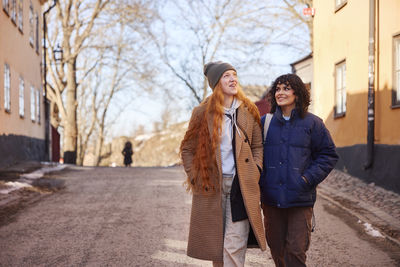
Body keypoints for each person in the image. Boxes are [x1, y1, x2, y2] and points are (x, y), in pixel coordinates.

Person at [180, 61, 266, 266]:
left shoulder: (248, 110)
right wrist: (195, 176)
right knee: (217, 250)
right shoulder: (202, 113)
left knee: (233, 247)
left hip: (241, 187)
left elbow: (257, 146)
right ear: (216, 83)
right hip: (212, 186)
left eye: (234, 74)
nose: (232, 79)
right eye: (226, 75)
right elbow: (187, 149)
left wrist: (255, 170)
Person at [260, 73, 339, 267]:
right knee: (277, 249)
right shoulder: (265, 123)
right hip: (271, 199)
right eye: (277, 89)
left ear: (298, 93)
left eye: (286, 88)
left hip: (300, 199)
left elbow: (328, 155)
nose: (280, 92)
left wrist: (306, 179)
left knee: (296, 251)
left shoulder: (313, 123)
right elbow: (253, 155)